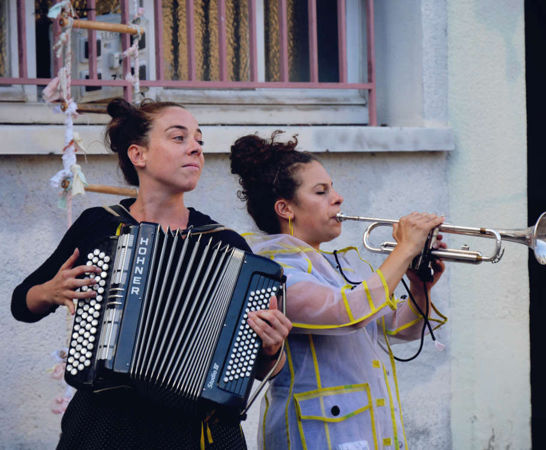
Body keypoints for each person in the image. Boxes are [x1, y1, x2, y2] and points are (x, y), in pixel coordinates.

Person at [11, 98, 292, 449]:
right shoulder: (99, 225)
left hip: (195, 431)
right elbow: (21, 304)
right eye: (179, 138)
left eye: (200, 142)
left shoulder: (227, 246)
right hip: (105, 426)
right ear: (138, 155)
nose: (195, 148)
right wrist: (50, 292)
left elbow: (265, 368)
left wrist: (272, 347)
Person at [229, 132, 447, 450]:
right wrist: (405, 249)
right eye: (321, 191)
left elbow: (401, 328)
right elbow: (346, 314)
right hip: (315, 437)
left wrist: (420, 286)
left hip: (365, 432)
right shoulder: (273, 271)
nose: (338, 198)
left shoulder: (339, 265)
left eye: (333, 188)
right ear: (285, 208)